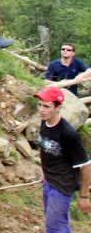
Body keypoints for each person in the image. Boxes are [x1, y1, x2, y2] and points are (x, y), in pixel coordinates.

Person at [34, 86, 91, 232]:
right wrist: (44, 172)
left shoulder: (68, 134)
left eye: (46, 106)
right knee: (56, 226)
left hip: (62, 186)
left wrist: (84, 197)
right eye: (39, 105)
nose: (41, 109)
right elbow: (46, 150)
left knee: (54, 228)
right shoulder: (44, 122)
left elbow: (86, 165)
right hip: (49, 182)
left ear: (57, 107)